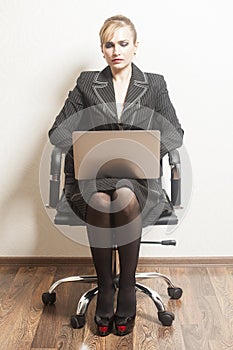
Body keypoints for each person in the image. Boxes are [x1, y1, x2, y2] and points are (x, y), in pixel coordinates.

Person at [48, 14, 184, 336]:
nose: (116, 50)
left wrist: (148, 152)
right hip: (91, 178)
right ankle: (106, 289)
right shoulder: (86, 84)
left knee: (123, 196)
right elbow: (58, 132)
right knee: (98, 198)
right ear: (102, 49)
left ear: (136, 47)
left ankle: (126, 288)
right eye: (109, 45)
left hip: (138, 181)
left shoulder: (154, 84)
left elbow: (175, 133)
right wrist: (86, 148)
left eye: (123, 43)